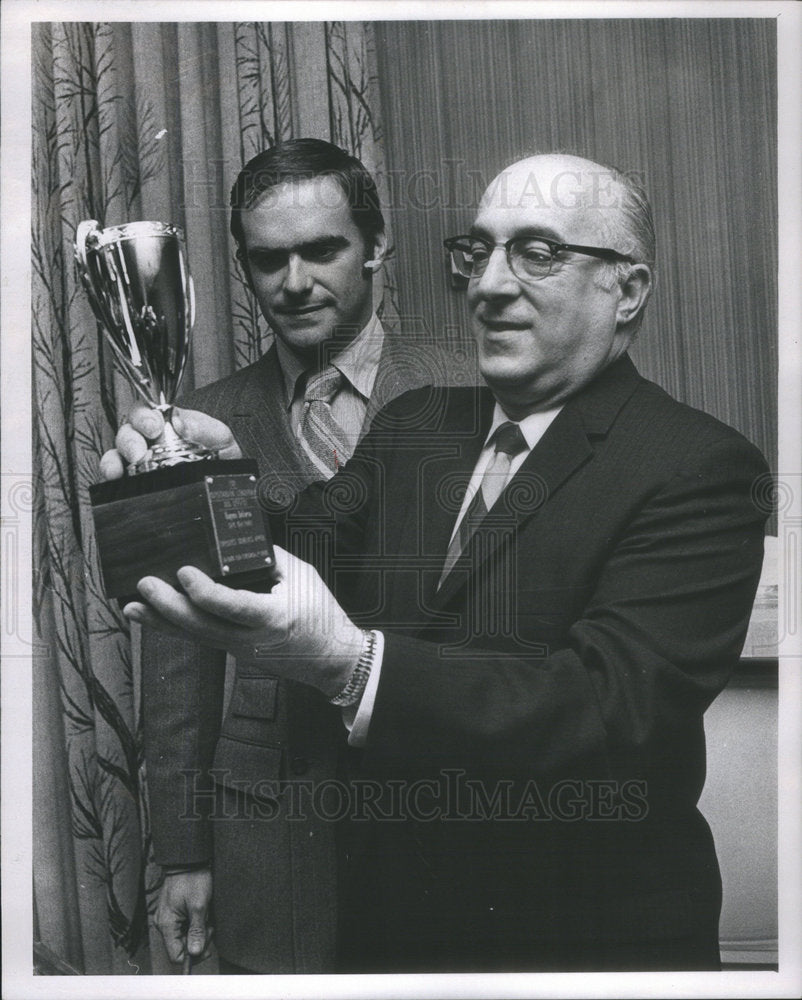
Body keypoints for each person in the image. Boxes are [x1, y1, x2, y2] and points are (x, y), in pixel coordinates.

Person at [119, 153, 769, 971]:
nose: (489, 286)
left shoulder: (701, 466)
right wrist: (197, 479)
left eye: (537, 254)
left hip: (583, 943)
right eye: (479, 252)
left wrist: (354, 668)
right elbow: (302, 538)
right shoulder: (421, 422)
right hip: (393, 930)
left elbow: (605, 707)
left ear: (628, 289)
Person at [104, 138, 442, 973]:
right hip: (271, 826)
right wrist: (184, 849)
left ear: (376, 245)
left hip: (437, 798)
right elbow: (177, 658)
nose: (295, 283)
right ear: (244, 267)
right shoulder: (197, 424)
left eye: (323, 249)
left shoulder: (469, 390)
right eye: (268, 259)